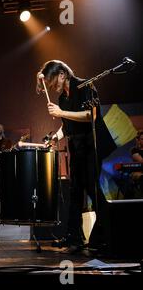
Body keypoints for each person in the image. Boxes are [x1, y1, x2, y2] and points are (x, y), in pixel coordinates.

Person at [36, 60, 116, 253]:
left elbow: (91, 115)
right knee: (74, 192)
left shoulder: (85, 86)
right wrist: (56, 136)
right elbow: (67, 124)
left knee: (92, 189)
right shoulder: (63, 98)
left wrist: (61, 112)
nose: (52, 86)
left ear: (62, 74)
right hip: (77, 146)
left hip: (92, 144)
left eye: (53, 81)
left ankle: (107, 234)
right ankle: (74, 238)